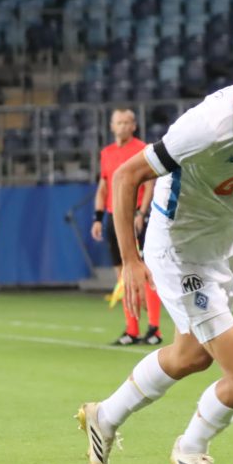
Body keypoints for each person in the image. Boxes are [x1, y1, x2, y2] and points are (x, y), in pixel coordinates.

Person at [77, 37, 233, 464]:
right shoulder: (208, 126)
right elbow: (126, 176)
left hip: (219, 245)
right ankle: (191, 448)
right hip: (180, 249)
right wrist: (130, 260)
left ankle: (103, 417)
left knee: (189, 356)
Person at [91, 108, 163, 346]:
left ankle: (154, 329)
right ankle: (132, 330)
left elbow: (150, 185)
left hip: (134, 215)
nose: (122, 126)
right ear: (111, 126)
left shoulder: (143, 149)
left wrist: (141, 212)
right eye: (118, 122)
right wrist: (97, 218)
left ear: (133, 126)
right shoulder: (107, 153)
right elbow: (103, 187)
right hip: (114, 216)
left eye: (126, 122)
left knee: (145, 270)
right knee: (121, 274)